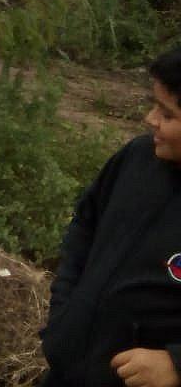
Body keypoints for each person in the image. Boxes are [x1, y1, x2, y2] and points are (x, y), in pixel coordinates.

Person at [41, 45, 181, 387]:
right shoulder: (136, 159)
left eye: (167, 114)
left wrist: (177, 364)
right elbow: (84, 228)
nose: (150, 119)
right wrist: (64, 310)